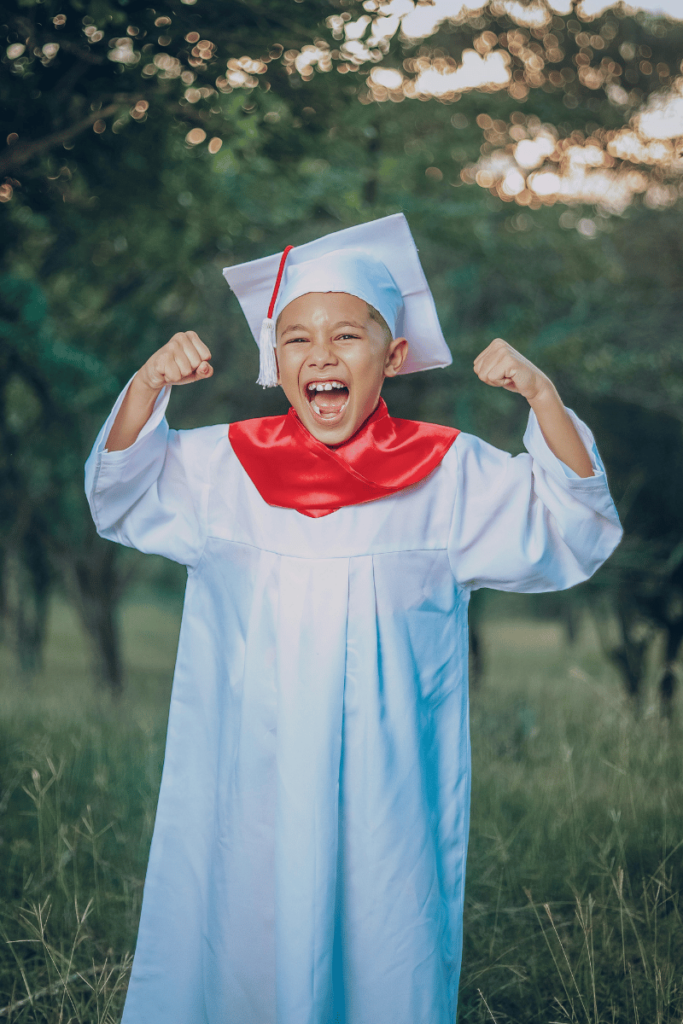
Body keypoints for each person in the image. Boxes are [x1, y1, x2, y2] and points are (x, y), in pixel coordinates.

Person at [85, 214, 621, 1024]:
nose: (321, 356)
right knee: (238, 940)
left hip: (388, 790)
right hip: (246, 780)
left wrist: (542, 398)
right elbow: (117, 491)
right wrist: (145, 385)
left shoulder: (451, 474)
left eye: (346, 335)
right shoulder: (220, 467)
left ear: (393, 355)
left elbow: (572, 526)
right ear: (275, 360)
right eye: (296, 339)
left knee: (380, 949)